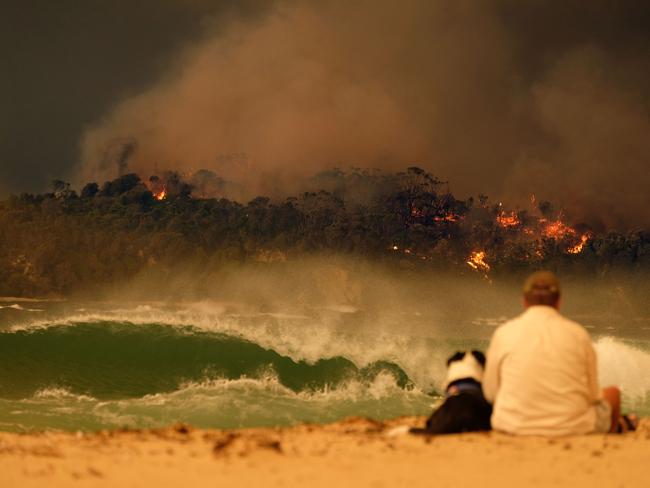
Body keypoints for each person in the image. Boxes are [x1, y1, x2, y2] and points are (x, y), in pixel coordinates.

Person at [482, 271, 636, 435]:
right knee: (612, 393)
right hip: (573, 428)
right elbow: (593, 396)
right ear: (558, 302)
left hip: (512, 426)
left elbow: (491, 393)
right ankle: (612, 434)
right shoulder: (578, 334)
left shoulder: (504, 333)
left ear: (525, 302)